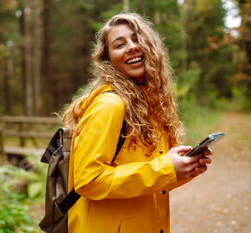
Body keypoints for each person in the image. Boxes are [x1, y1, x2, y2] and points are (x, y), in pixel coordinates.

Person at [61, 12, 212, 233]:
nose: (131, 47)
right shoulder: (109, 106)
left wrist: (183, 170)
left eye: (136, 39)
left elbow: (148, 180)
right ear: (108, 59)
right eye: (119, 44)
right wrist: (164, 170)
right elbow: (87, 180)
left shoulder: (150, 106)